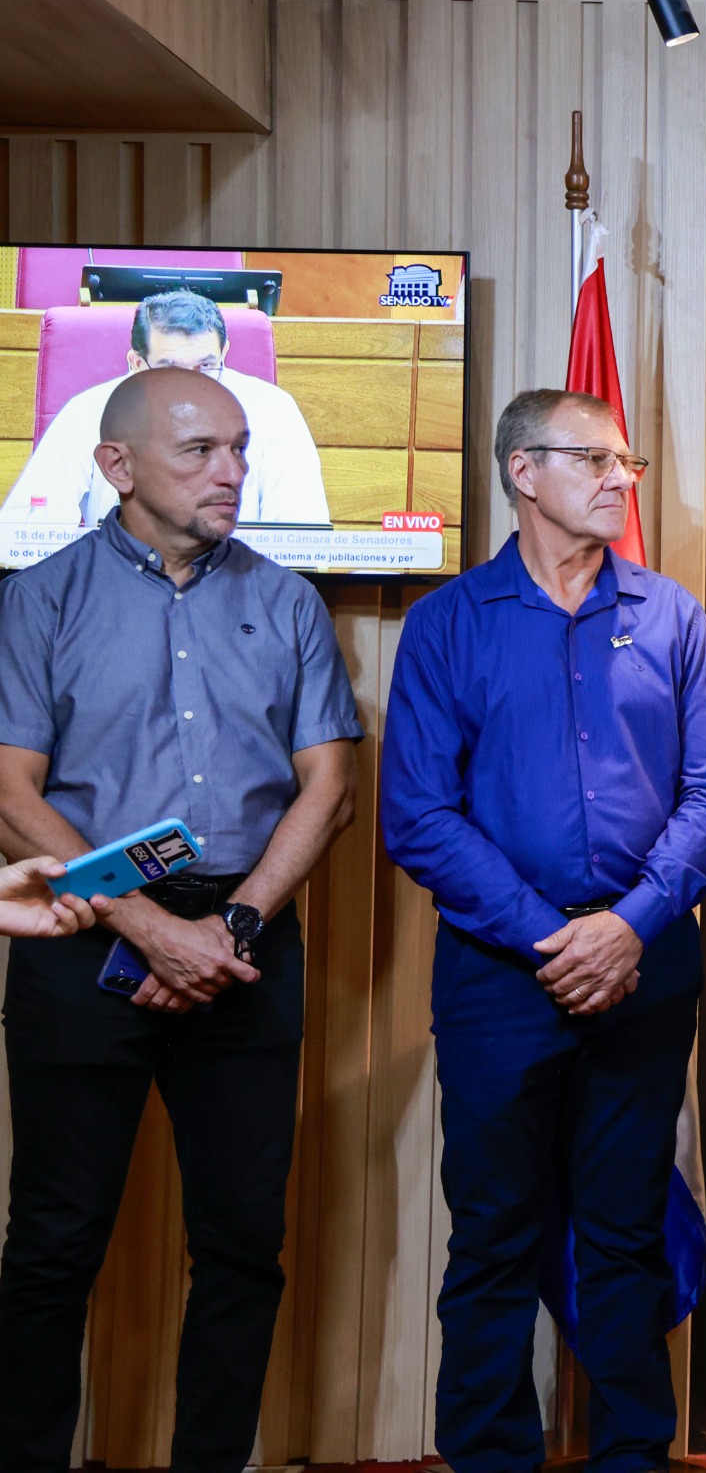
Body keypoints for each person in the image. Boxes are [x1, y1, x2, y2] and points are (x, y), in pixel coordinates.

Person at [0, 366, 359, 1473]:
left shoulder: (287, 600)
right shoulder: (41, 597)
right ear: (116, 465)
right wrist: (148, 926)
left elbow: (330, 787)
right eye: (201, 450)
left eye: (240, 448)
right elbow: (10, 794)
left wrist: (233, 926)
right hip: (83, 936)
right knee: (53, 1244)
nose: (232, 471)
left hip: (248, 943)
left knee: (244, 1245)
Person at [381, 388, 706, 1473]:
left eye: (627, 463)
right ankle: (491, 1454)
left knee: (626, 1230)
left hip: (647, 968)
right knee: (494, 1233)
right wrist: (553, 937)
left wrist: (627, 928)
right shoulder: (449, 623)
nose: (621, 479)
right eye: (595, 460)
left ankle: (632, 1454)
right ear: (523, 471)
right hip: (500, 978)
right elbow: (419, 815)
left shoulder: (671, 616)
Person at [1, 290, 332, 528]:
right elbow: (26, 533)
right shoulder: (87, 412)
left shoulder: (274, 412)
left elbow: (300, 539)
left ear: (224, 354)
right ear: (136, 364)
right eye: (169, 368)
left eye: (206, 366)